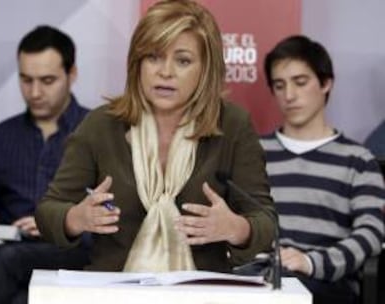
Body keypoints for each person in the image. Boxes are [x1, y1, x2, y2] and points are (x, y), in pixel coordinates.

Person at [35, 0, 275, 274]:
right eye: (153, 57)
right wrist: (74, 218)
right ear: (137, 62)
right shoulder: (102, 124)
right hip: (116, 290)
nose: (165, 72)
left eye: (183, 60)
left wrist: (237, 228)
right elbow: (48, 211)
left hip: (202, 291)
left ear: (205, 69)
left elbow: (265, 221)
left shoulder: (232, 125)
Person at [260, 35, 385, 304]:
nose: (289, 95)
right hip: (260, 279)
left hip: (325, 285)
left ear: (326, 83)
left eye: (300, 82)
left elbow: (371, 234)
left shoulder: (359, 160)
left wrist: (310, 262)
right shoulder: (254, 153)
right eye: (279, 86)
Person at [0, 25, 90, 304]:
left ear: (71, 74)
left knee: (8, 261)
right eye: (26, 80)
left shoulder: (98, 132)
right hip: (8, 252)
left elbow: (118, 212)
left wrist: (62, 221)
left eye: (47, 81)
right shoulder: (0, 137)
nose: (35, 92)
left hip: (75, 251)